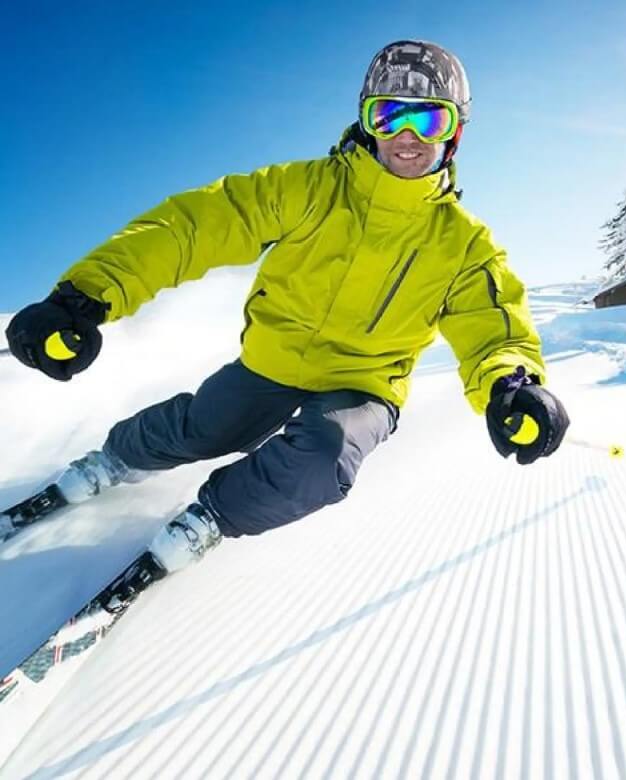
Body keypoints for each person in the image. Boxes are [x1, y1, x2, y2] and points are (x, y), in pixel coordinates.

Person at [5, 40, 570, 575]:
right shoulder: (308, 189)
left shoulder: (466, 245)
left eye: (429, 119)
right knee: (205, 428)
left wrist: (511, 386)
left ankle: (215, 517)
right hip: (273, 361)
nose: (406, 135)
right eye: (388, 114)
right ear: (366, 120)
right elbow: (193, 228)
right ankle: (114, 461)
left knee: (325, 457)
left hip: (366, 382)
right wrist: (84, 296)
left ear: (455, 134)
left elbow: (494, 329)